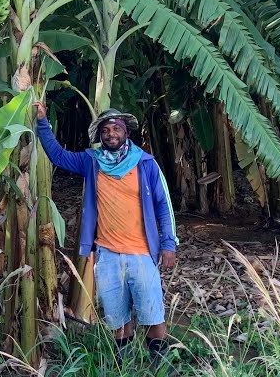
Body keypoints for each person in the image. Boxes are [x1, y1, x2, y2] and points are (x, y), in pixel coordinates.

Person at [34, 102, 177, 366]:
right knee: (118, 319)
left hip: (142, 253)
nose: (111, 134)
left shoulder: (146, 164)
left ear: (126, 132)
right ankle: (125, 367)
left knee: (153, 315)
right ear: (100, 136)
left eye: (116, 129)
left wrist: (168, 244)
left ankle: (161, 367)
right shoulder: (92, 161)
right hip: (108, 254)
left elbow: (163, 206)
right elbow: (58, 156)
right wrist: (43, 121)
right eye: (106, 130)